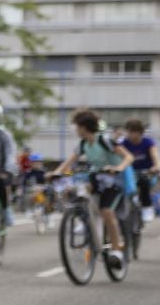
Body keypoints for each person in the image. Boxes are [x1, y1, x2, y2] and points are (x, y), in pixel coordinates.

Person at [53, 110, 128, 264]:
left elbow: (128, 156)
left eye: (77, 126)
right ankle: (83, 219)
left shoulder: (104, 141)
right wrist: (56, 172)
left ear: (84, 127)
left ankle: (116, 249)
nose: (75, 130)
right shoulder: (83, 144)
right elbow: (69, 162)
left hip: (113, 182)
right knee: (80, 192)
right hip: (96, 180)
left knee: (107, 211)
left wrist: (118, 167)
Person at [116, 118, 160, 218]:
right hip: (129, 173)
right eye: (128, 132)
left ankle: (147, 207)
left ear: (140, 132)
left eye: (132, 132)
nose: (130, 135)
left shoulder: (148, 142)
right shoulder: (123, 143)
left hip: (146, 172)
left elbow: (155, 156)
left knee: (144, 182)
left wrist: (156, 166)